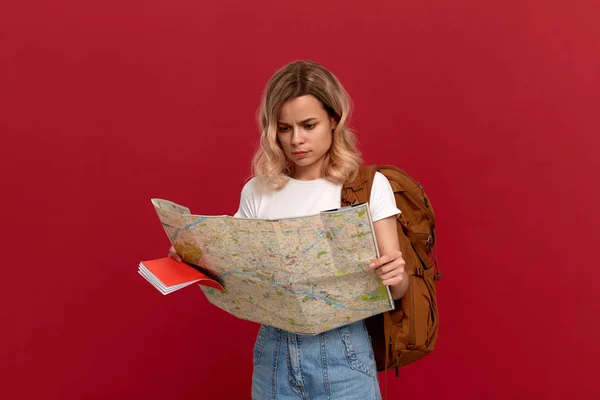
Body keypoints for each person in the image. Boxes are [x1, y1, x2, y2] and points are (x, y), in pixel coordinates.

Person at [168, 60, 408, 400]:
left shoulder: (367, 186)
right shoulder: (257, 191)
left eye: (309, 125)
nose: (297, 140)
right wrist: (191, 258)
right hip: (274, 351)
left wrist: (395, 275)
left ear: (334, 119)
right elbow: (230, 273)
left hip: (343, 351)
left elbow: (397, 290)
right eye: (284, 128)